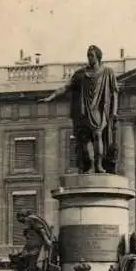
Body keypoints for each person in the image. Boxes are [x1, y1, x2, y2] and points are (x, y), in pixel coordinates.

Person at [38, 45, 119, 174]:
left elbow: (114, 92)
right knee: (85, 139)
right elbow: (66, 87)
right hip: (83, 110)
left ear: (98, 56)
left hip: (98, 109)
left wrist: (114, 112)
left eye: (91, 55)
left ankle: (99, 165)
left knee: (98, 134)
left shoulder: (107, 72)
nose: (89, 58)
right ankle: (90, 165)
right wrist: (51, 97)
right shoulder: (80, 74)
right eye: (88, 55)